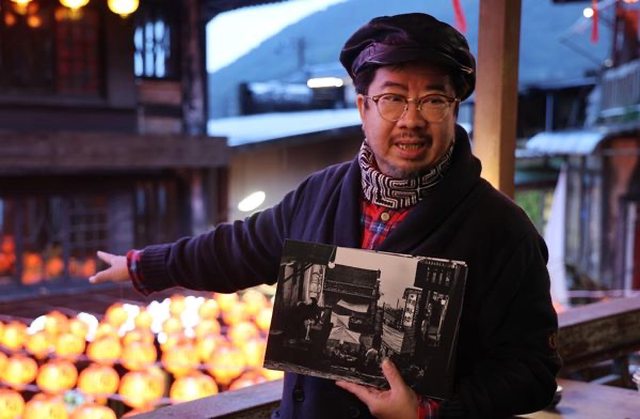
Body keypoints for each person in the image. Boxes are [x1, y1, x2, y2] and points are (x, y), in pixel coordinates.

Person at [89, 12, 561, 419]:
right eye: (393, 98)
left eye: (433, 100)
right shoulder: (322, 193)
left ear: (454, 108)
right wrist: (146, 266)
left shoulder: (502, 229)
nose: (411, 119)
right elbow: (239, 249)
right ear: (363, 107)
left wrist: (427, 411)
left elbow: (533, 371)